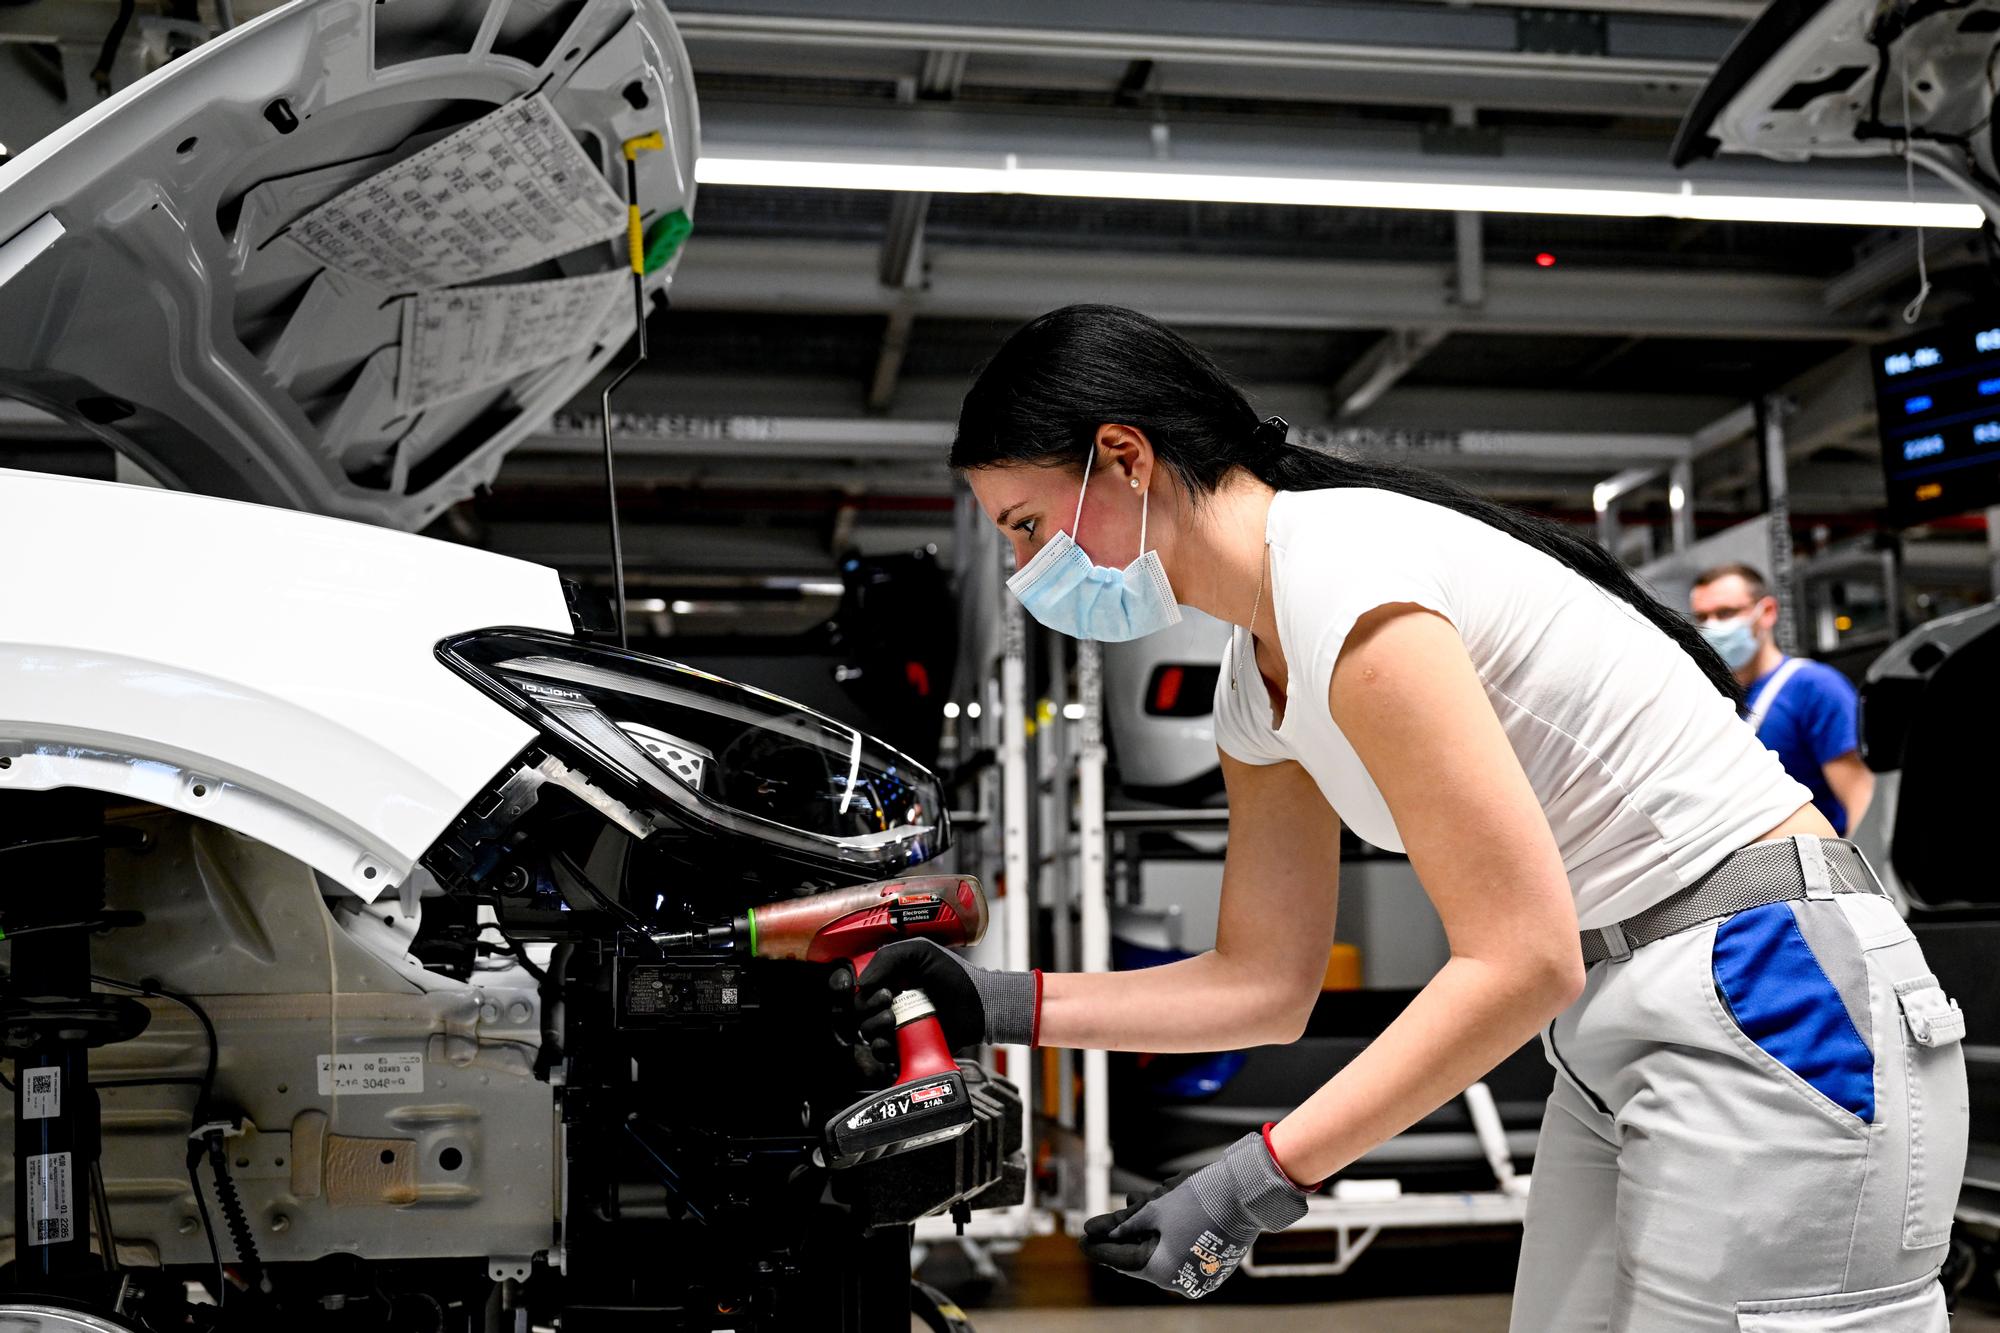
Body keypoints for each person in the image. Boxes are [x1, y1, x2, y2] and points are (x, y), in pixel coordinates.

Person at [856, 306, 1966, 1329]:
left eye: (1024, 525)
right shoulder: (1254, 680)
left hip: (1768, 982)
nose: (1021, 570)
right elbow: (1263, 981)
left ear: (1123, 458)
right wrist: (992, 1001)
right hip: (1616, 1009)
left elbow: (1516, 957)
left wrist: (1266, 1174)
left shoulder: (1345, 576)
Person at [1689, 563, 1875, 837]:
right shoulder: (1711, 698)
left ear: (1767, 612)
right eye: (1702, 617)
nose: (1712, 626)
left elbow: (1860, 800)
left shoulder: (1813, 688)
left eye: (1726, 613)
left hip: (1818, 866)